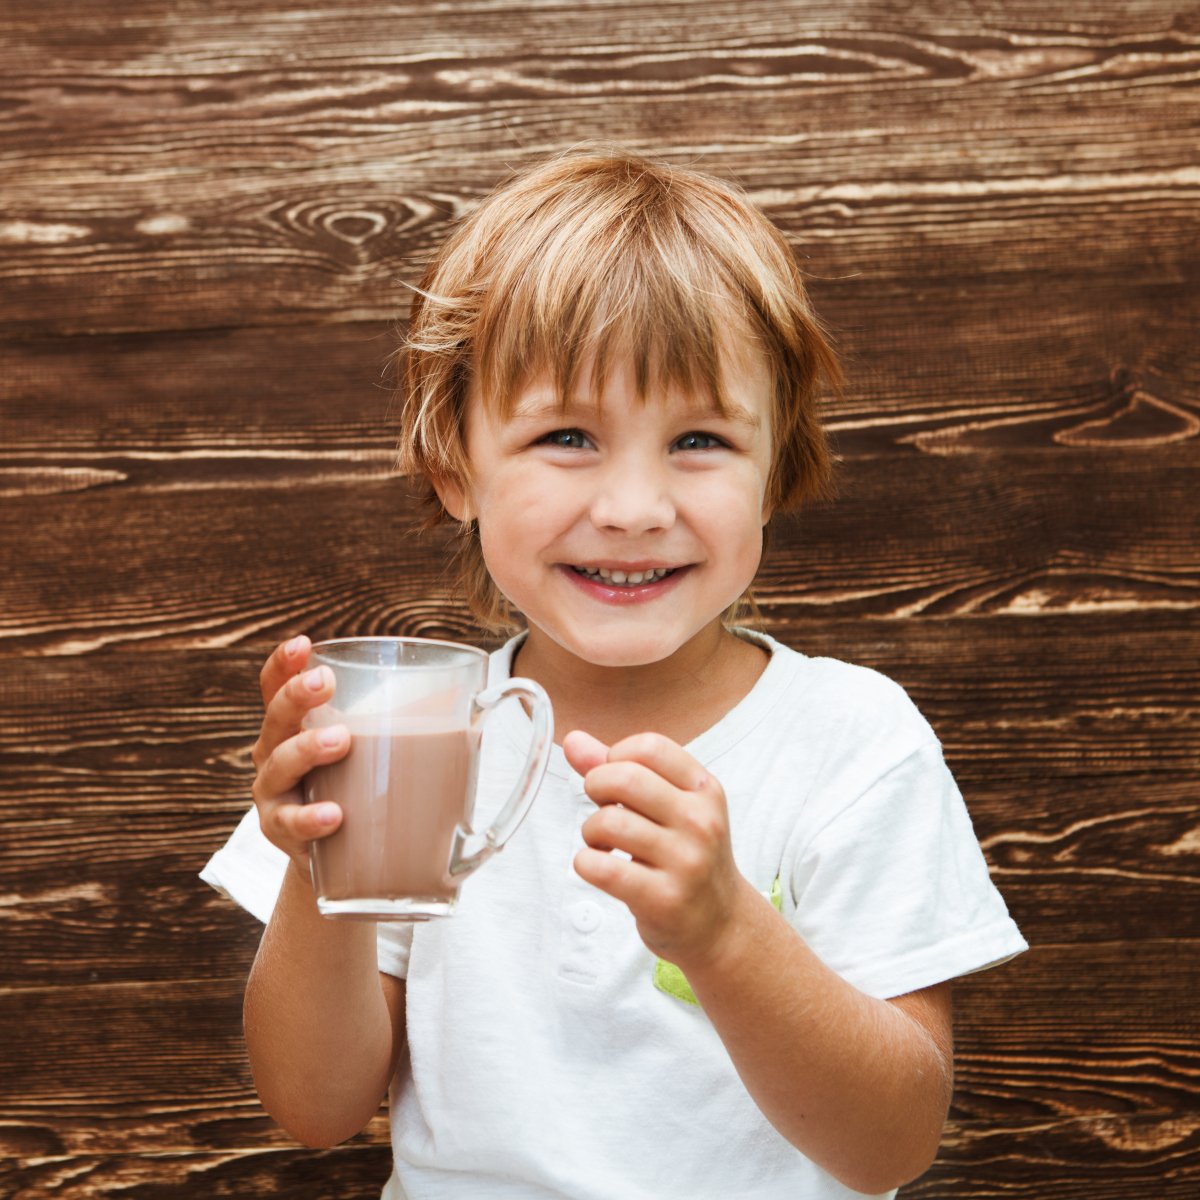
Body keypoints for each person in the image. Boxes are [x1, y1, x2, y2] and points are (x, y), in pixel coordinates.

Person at [202, 148, 1027, 1199]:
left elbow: (891, 1145)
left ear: (772, 470)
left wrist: (726, 934)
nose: (635, 507)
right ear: (458, 468)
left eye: (697, 438)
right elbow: (314, 1109)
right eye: (567, 436)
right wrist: (316, 868)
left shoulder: (852, 740)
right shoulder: (403, 727)